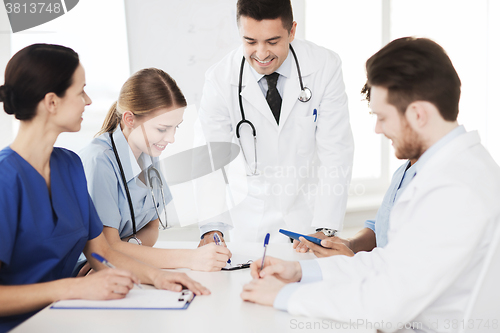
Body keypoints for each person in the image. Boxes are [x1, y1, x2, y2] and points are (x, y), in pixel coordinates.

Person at [240, 37, 500, 331]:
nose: (378, 129)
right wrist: (299, 271)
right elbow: (386, 264)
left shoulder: (456, 189)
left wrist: (286, 296)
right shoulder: (449, 170)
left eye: (383, 117)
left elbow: (386, 302)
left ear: (417, 114)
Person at [0, 44, 209, 333]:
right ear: (52, 102)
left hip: (68, 315)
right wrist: (71, 288)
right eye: (80, 91)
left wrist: (156, 277)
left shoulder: (69, 165)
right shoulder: (5, 179)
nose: (88, 101)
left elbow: (103, 252)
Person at [196, 0, 354, 246]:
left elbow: (336, 150)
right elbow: (211, 161)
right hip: (249, 229)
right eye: (250, 42)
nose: (261, 54)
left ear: (292, 31)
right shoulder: (219, 79)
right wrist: (212, 230)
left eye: (272, 42)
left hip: (309, 223)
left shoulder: (324, 66)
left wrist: (326, 227)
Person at [77, 68, 231, 273]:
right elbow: (108, 248)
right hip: (89, 271)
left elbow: (151, 229)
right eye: (162, 129)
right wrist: (191, 258)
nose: (171, 138)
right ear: (130, 119)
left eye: (176, 127)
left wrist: (128, 249)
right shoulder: (99, 160)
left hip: (124, 266)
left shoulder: (148, 154)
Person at [299, 158, 417, 257]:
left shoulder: (428, 183)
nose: (378, 130)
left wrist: (352, 260)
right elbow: (380, 230)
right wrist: (348, 244)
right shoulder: (401, 171)